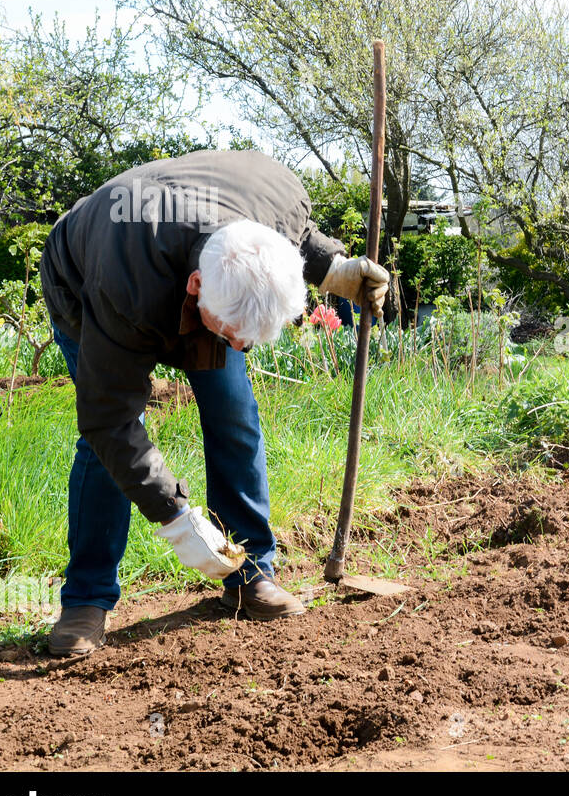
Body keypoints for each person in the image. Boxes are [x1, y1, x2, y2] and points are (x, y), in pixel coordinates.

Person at [38, 149, 389, 656]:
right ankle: (86, 599)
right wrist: (178, 521)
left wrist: (333, 267)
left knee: (234, 415)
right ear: (197, 287)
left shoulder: (277, 192)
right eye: (231, 333)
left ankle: (249, 574)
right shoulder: (123, 289)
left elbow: (290, 238)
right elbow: (109, 419)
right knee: (107, 445)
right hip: (84, 283)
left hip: (183, 260)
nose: (240, 347)